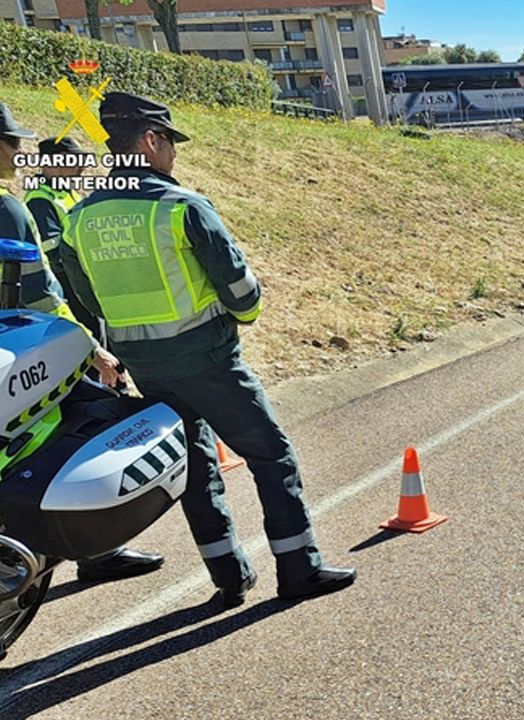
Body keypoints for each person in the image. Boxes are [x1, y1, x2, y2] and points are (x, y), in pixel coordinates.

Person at [60, 92, 355, 607]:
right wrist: (240, 319)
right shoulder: (180, 207)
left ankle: (228, 576)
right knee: (271, 454)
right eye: (169, 142)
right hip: (210, 360)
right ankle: (299, 568)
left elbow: (86, 301)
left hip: (146, 369)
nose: (173, 154)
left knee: (195, 469)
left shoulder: (81, 218)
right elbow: (241, 290)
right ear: (150, 141)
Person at [1, 100, 163, 582]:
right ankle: (93, 547)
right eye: (13, 141)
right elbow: (38, 294)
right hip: (21, 351)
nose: (20, 148)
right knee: (79, 426)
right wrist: (90, 350)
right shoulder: (9, 208)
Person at [24, 136, 100, 338]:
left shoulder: (68, 193)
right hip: (68, 286)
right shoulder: (40, 199)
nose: (83, 167)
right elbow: (53, 250)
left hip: (84, 282)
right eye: (78, 160)